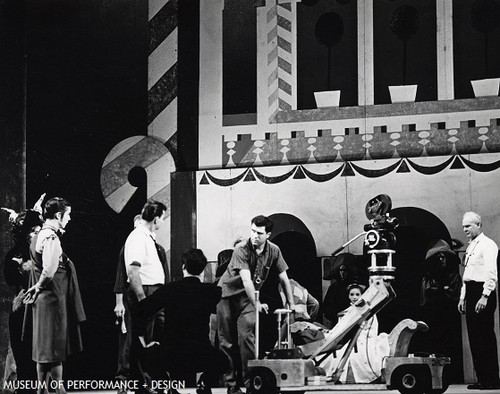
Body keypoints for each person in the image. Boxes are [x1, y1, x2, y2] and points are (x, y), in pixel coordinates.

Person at [217, 215, 296, 394]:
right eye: (252, 231)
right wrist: (258, 302)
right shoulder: (241, 249)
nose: (254, 236)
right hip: (227, 297)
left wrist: (291, 305)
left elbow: (284, 277)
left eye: (259, 233)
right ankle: (231, 386)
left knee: (247, 338)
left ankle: (251, 384)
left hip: (248, 299)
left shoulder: (274, 250)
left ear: (268, 234)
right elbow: (246, 279)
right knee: (227, 342)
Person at [134, 248, 228, 394]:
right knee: (223, 361)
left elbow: (141, 310)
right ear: (203, 270)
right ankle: (204, 383)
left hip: (172, 355)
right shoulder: (211, 292)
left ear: (183, 267)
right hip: (201, 354)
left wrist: (145, 343)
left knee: (149, 356)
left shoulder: (170, 289)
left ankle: (166, 386)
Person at [24, 197, 86, 394]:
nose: (69, 219)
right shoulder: (51, 237)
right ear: (58, 215)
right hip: (51, 299)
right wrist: (39, 286)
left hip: (45, 300)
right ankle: (58, 389)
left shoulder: (38, 234)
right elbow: (49, 270)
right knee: (54, 349)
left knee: (44, 350)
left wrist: (37, 288)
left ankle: (43, 389)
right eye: (67, 215)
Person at [124, 199, 167, 393]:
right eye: (163, 218)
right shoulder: (138, 237)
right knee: (144, 339)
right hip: (146, 292)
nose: (163, 222)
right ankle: (143, 384)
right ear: (156, 219)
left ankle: (149, 382)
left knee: (151, 339)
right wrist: (144, 300)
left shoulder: (147, 236)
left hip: (153, 292)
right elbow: (133, 271)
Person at [2, 203, 44, 393]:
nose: (38, 234)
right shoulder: (15, 256)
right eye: (33, 231)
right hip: (24, 312)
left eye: (39, 230)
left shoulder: (44, 253)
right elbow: (12, 279)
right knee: (24, 364)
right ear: (24, 233)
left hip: (43, 312)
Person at [458, 211, 500, 390]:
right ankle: (482, 378)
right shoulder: (471, 246)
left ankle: (491, 379)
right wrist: (462, 297)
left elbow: (491, 273)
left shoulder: (488, 245)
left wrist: (485, 296)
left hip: (483, 292)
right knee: (475, 338)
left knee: (485, 337)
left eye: (468, 226)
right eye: (463, 227)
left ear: (478, 225)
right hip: (471, 292)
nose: (465, 230)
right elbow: (467, 276)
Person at [321, 283, 389, 384]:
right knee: (333, 352)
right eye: (352, 294)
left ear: (362, 295)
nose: (354, 297)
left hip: (363, 337)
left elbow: (371, 329)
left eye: (357, 294)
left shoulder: (367, 310)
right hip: (348, 338)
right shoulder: (347, 311)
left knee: (358, 354)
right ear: (348, 296)